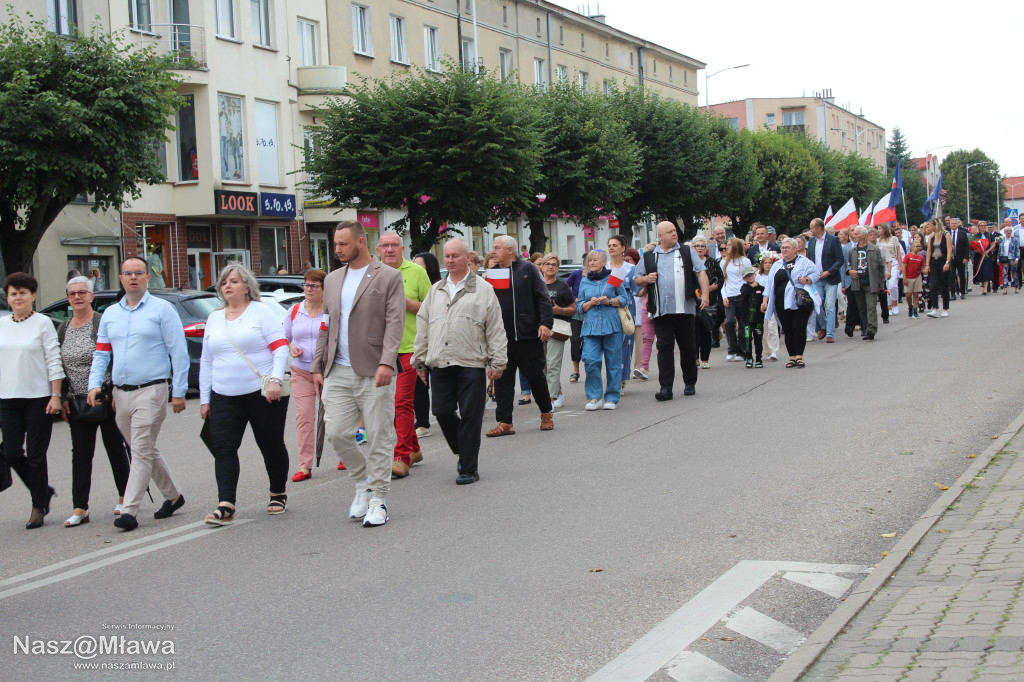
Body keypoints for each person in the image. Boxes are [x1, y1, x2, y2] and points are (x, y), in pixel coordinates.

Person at [312, 220, 405, 528]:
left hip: (373, 368)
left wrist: (386, 362)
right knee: (337, 433)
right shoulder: (333, 279)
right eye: (336, 244)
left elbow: (395, 323)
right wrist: (317, 365)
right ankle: (362, 481)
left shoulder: (389, 276)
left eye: (342, 244)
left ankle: (378, 499)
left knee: (379, 435)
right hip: (337, 369)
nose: (337, 250)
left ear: (361, 242)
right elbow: (325, 323)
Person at [88, 257, 189, 531]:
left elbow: (179, 352)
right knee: (141, 449)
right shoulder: (110, 314)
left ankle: (129, 511)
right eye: (127, 273)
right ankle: (174, 495)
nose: (133, 277)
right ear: (120, 278)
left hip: (152, 390)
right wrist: (94, 384)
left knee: (141, 449)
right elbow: (101, 354)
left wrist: (178, 392)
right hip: (121, 393)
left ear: (147, 278)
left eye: (139, 273)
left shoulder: (162, 310)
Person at [199, 265, 291, 525]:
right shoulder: (215, 318)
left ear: (247, 287)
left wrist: (275, 380)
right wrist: (205, 399)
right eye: (224, 282)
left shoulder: (260, 312)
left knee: (270, 444)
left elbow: (280, 347)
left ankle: (277, 492)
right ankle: (226, 503)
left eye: (234, 281)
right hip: (223, 394)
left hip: (262, 392)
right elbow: (207, 361)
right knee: (223, 447)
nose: (228, 286)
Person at [412, 239, 507, 484]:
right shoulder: (436, 289)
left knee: (470, 415)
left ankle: (468, 468)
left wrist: (499, 361)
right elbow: (423, 326)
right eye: (447, 256)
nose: (451, 261)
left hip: (471, 361)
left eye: (455, 256)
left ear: (467, 258)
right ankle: (463, 449)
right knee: (441, 411)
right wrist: (419, 360)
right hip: (440, 361)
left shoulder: (483, 289)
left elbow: (495, 327)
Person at [58, 276, 130, 527]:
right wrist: (63, 396)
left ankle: (125, 497)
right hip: (77, 400)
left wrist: (114, 391)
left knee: (115, 447)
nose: (77, 297)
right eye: (72, 293)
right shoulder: (64, 328)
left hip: (106, 397)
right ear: (68, 298)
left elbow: (115, 357)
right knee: (80, 453)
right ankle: (80, 507)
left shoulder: (101, 323)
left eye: (82, 293)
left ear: (91, 296)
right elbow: (60, 365)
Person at [0, 273, 64, 529]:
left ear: (33, 296)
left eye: (23, 293)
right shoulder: (2, 325)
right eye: (13, 293)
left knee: (37, 455)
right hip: (7, 399)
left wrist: (56, 395)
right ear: (8, 297)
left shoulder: (43, 323)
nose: (18, 297)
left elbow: (53, 359)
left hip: (39, 399)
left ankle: (38, 505)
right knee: (12, 452)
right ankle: (43, 491)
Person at [485, 235, 555, 436]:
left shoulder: (528, 269)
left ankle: (546, 413)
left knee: (535, 376)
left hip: (527, 336)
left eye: (498, 247)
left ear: (510, 250)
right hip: (501, 338)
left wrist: (545, 323)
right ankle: (505, 422)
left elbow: (543, 297)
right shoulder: (493, 272)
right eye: (494, 247)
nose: (494, 251)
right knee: (503, 380)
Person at [375, 232, 432, 479]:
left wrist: (407, 303)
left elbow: (432, 308)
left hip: (410, 346)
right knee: (387, 404)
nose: (389, 249)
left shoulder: (416, 272)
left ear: (402, 248)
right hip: (380, 349)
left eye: (394, 245)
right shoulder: (371, 273)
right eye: (384, 245)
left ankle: (401, 456)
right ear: (377, 250)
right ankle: (415, 449)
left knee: (401, 402)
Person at [634, 221, 710, 400]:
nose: (674, 234)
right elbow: (637, 280)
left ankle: (689, 382)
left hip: (684, 308)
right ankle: (665, 387)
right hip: (661, 310)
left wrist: (705, 294)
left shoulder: (686, 251)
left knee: (687, 347)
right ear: (660, 236)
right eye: (669, 232)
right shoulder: (649, 256)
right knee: (664, 348)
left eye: (674, 231)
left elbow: (701, 273)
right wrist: (647, 278)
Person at [284, 269, 327, 483]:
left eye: (314, 286)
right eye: (306, 285)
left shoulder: (330, 311)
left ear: (323, 289)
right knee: (304, 417)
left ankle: (346, 454)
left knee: (336, 417)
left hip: (328, 371)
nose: (308, 289)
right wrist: (291, 347)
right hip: (301, 371)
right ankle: (305, 465)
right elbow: (285, 338)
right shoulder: (294, 311)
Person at [577, 250, 628, 410]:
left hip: (612, 326)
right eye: (589, 260)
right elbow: (579, 306)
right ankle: (594, 397)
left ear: (603, 261)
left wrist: (610, 301)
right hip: (591, 327)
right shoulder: (585, 281)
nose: (591, 263)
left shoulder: (613, 277)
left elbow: (624, 299)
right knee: (590, 361)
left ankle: (612, 398)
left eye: (595, 260)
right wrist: (589, 303)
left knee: (613, 363)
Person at [761, 238, 820, 367]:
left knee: (798, 328)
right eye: (783, 248)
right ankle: (791, 357)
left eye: (787, 247)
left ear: (795, 249)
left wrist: (807, 279)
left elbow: (816, 274)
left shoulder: (805, 262)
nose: (784, 250)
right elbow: (769, 285)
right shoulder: (777, 265)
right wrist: (765, 301)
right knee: (787, 329)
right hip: (781, 302)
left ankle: (799, 356)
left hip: (799, 302)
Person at [412, 252, 442, 438]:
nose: (415, 269)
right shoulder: (410, 284)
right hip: (418, 339)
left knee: (440, 381)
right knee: (419, 383)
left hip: (438, 339)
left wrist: (408, 304)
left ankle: (448, 412)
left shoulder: (439, 288)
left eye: (420, 266)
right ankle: (422, 422)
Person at [539, 253, 574, 409]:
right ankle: (558, 392)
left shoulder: (562, 286)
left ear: (558, 268)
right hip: (538, 329)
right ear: (542, 266)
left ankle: (551, 399)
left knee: (553, 364)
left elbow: (573, 308)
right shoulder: (537, 285)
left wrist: (560, 310)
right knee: (543, 366)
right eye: (548, 264)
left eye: (554, 264)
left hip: (556, 329)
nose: (551, 267)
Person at [607, 235, 637, 394]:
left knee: (624, 344)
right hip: (607, 308)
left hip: (625, 308)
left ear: (623, 248)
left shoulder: (630, 269)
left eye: (615, 245)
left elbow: (637, 290)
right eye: (609, 245)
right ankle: (612, 377)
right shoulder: (604, 267)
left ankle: (621, 379)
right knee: (610, 345)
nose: (611, 248)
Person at [844, 227, 886, 341]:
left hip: (871, 282)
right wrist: (849, 271)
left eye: (856, 234)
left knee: (871, 307)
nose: (853, 235)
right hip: (857, 283)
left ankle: (872, 329)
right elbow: (848, 265)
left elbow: (881, 267)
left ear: (863, 236)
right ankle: (866, 328)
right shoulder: (852, 250)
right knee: (862, 308)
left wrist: (881, 284)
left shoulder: (874, 249)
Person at [806, 218, 844, 343]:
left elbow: (839, 260)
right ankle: (824, 325)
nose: (810, 230)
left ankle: (830, 333)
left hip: (831, 278)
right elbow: (810, 260)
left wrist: (829, 272)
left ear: (820, 228)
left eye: (812, 228)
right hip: (817, 279)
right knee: (816, 304)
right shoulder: (811, 242)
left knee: (830, 306)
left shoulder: (833, 240)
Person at [691, 237, 722, 369]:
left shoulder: (712, 262)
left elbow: (720, 279)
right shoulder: (688, 262)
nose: (700, 248)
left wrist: (711, 288)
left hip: (708, 300)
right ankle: (695, 357)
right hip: (692, 300)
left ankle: (705, 359)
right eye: (697, 246)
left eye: (702, 246)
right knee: (693, 331)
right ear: (693, 248)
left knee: (705, 329)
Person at [720, 237, 752, 362]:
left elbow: (749, 279)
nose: (726, 247)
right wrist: (724, 296)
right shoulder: (724, 262)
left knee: (743, 324)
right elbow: (723, 281)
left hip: (742, 295)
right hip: (730, 295)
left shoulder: (745, 261)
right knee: (730, 322)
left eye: (729, 245)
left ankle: (742, 350)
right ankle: (731, 349)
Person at [923, 218, 954, 318]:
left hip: (943, 260)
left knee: (944, 285)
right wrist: (927, 265)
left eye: (931, 225)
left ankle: (945, 308)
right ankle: (935, 308)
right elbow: (929, 251)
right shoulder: (931, 236)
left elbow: (949, 249)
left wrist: (947, 262)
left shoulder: (946, 234)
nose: (930, 227)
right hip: (933, 262)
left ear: (936, 225)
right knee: (933, 285)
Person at [738, 266, 765, 368]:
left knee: (758, 339)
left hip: (758, 319)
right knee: (747, 337)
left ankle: (759, 358)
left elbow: (765, 299)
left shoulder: (761, 288)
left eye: (751, 275)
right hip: (746, 319)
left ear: (755, 275)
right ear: (744, 278)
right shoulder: (744, 288)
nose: (750, 277)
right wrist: (751, 286)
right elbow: (744, 294)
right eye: (747, 276)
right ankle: (749, 357)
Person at [756, 255, 780, 361]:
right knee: (764, 329)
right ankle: (767, 350)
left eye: (770, 263)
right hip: (761, 304)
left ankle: (774, 350)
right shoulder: (758, 276)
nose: (768, 265)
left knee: (772, 327)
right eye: (765, 263)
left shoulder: (775, 275)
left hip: (772, 304)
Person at [902, 236, 925, 318]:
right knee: (908, 295)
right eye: (917, 246)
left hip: (917, 276)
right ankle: (910, 306)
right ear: (912, 247)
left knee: (916, 293)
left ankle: (915, 310)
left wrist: (925, 270)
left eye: (919, 246)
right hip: (908, 276)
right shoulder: (908, 256)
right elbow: (904, 266)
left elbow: (922, 268)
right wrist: (904, 277)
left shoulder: (921, 257)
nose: (918, 248)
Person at [949, 218, 970, 300]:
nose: (954, 225)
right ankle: (953, 293)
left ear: (958, 224)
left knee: (962, 275)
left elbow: (967, 247)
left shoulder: (962, 233)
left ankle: (962, 292)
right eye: (952, 223)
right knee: (951, 275)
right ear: (950, 224)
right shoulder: (947, 234)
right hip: (951, 258)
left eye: (955, 223)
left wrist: (966, 257)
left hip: (960, 258)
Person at [998, 224, 1019, 293]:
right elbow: (1000, 249)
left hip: (1012, 258)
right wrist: (998, 259)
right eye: (1007, 231)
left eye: (1009, 230)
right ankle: (1005, 288)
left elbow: (1017, 250)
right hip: (1005, 258)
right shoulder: (1002, 240)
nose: (1008, 232)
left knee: (1014, 272)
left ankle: (1016, 286)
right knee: (1005, 273)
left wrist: (1017, 258)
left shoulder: (1015, 240)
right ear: (1004, 232)